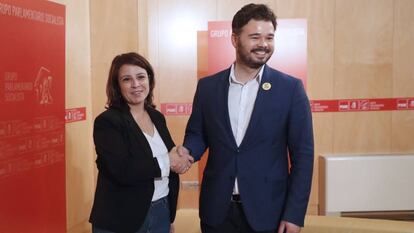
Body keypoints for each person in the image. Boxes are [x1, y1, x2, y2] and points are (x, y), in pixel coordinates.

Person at [178, 3, 314, 233]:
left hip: (269, 213)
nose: (263, 44)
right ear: (234, 39)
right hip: (217, 212)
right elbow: (198, 133)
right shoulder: (208, 88)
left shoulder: (290, 89)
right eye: (255, 37)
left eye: (269, 37)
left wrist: (294, 214)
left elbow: (303, 157)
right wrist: (186, 153)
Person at [89, 52, 193, 233]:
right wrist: (169, 160)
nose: (136, 84)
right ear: (117, 86)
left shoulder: (157, 117)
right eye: (127, 79)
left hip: (161, 208)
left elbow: (168, 158)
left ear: (149, 80)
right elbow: (122, 170)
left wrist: (181, 157)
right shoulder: (107, 122)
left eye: (141, 77)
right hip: (122, 217)